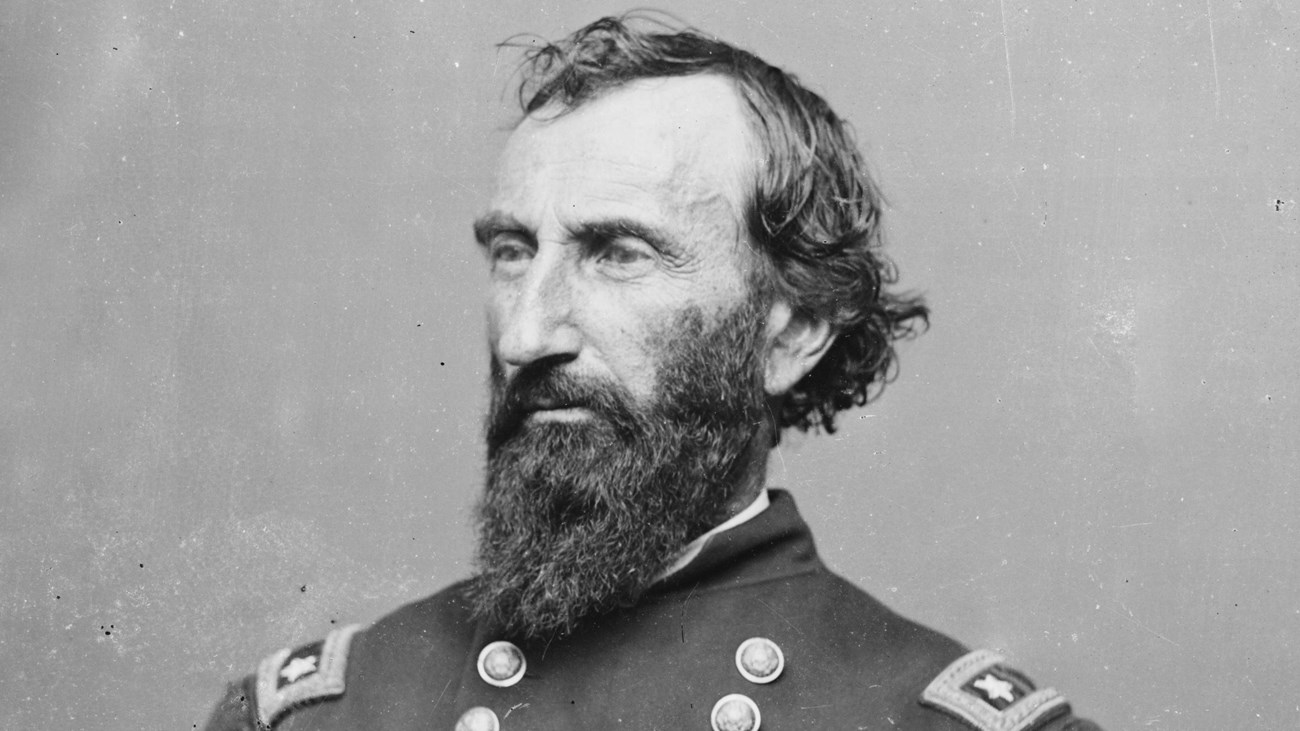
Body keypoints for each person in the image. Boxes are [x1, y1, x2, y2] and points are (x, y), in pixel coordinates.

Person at [205, 14, 1101, 731]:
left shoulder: (924, 715)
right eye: (514, 251)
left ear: (790, 333)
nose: (525, 334)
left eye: (618, 253)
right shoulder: (324, 713)